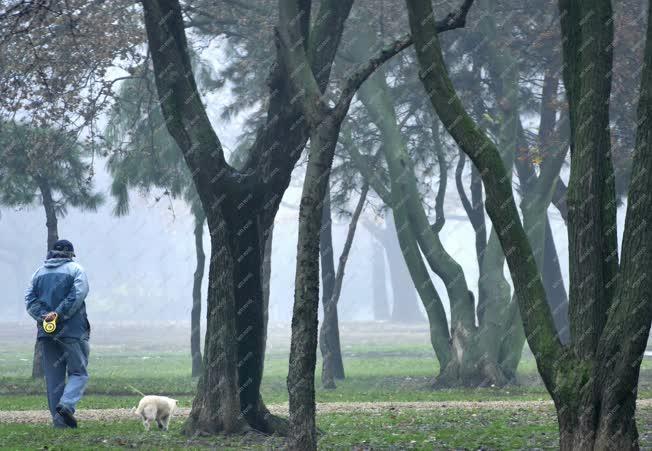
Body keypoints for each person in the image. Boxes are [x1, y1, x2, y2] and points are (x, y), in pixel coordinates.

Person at [25, 239, 90, 429]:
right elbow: (78, 295)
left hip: (46, 332)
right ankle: (67, 405)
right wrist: (58, 314)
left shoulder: (38, 273)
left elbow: (29, 301)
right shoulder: (77, 270)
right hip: (72, 331)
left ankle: (59, 424)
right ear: (71, 254)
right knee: (78, 372)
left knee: (54, 379)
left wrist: (45, 316)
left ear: (52, 253)